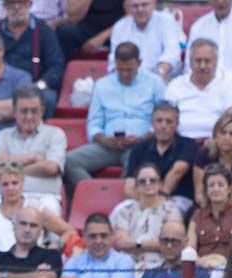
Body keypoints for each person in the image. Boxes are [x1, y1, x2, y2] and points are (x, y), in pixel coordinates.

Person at [64, 42, 163, 188]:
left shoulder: (155, 83)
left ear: (139, 63)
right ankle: (94, 193)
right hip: (109, 145)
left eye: (129, 70)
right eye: (121, 69)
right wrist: (103, 139)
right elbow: (94, 122)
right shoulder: (102, 85)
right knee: (69, 161)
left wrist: (143, 138)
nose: (125, 74)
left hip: (141, 144)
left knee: (136, 165)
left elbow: (163, 119)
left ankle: (121, 198)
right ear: (115, 64)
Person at [0, 163, 70, 255]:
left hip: (33, 263)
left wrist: (55, 246)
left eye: (15, 183)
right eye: (5, 184)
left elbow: (69, 231)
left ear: (22, 183)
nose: (10, 188)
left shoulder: (36, 207)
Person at [0, 86, 66, 199]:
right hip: (5, 200)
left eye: (34, 111)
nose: (29, 116)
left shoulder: (55, 134)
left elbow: (51, 168)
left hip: (43, 199)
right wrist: (32, 157)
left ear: (42, 111)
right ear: (15, 112)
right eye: (24, 111)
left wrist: (10, 171)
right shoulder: (3, 135)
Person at [123, 101, 197, 216]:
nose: (163, 125)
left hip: (176, 198)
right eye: (159, 120)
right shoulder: (139, 149)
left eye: (169, 121)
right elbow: (129, 187)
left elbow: (176, 173)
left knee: (163, 212)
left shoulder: (188, 145)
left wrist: (158, 199)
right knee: (120, 211)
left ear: (177, 124)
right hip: (143, 198)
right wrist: (145, 200)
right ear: (151, 122)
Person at [110, 163, 182, 273]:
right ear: (136, 187)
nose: (148, 184)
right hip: (128, 267)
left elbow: (171, 244)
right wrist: (153, 244)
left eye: (152, 180)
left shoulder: (171, 210)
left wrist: (136, 244)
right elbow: (122, 242)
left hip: (161, 267)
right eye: (142, 181)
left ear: (160, 184)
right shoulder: (125, 210)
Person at [164, 39, 232, 140]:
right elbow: (167, 116)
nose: (202, 66)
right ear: (190, 62)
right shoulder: (176, 85)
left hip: (217, 143)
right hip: (181, 142)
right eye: (198, 60)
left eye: (207, 61)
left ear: (216, 62)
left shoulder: (229, 81)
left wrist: (216, 141)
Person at [0, 0, 63, 111]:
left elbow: (56, 67)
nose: (16, 7)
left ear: (30, 4)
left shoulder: (45, 32)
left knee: (47, 99)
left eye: (21, 2)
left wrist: (40, 85)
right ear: (4, 6)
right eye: (11, 3)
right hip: (0, 88)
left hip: (34, 88)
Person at [187, 164, 232, 268]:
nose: (216, 189)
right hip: (202, 268)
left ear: (229, 188)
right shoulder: (197, 215)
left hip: (231, 269)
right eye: (211, 185)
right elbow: (190, 250)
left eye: (221, 185)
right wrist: (201, 263)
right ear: (206, 190)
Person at [60, 212, 134, 278]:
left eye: (103, 236)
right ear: (84, 237)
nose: (98, 241)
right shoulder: (73, 262)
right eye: (92, 236)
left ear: (112, 236)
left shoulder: (123, 260)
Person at [187, 0, 232, 86]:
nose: (220, 1)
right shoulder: (199, 26)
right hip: (203, 87)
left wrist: (230, 85)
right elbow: (189, 65)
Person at [133, 219, 209, 278]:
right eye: (165, 240)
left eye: (174, 241)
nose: (169, 246)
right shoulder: (150, 274)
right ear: (159, 241)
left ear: (185, 242)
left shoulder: (199, 274)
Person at [108, 0, 181, 80]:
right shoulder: (120, 27)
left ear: (154, 4)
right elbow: (114, 59)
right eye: (135, 6)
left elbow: (172, 53)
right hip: (129, 79)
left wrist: (158, 75)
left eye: (145, 5)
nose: (140, 9)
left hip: (161, 77)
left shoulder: (166, 21)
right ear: (129, 8)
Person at [56, 0, 125, 61]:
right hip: (86, 28)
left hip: (115, 29)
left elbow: (129, 16)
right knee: (66, 31)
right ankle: (61, 69)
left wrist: (102, 37)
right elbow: (74, 18)